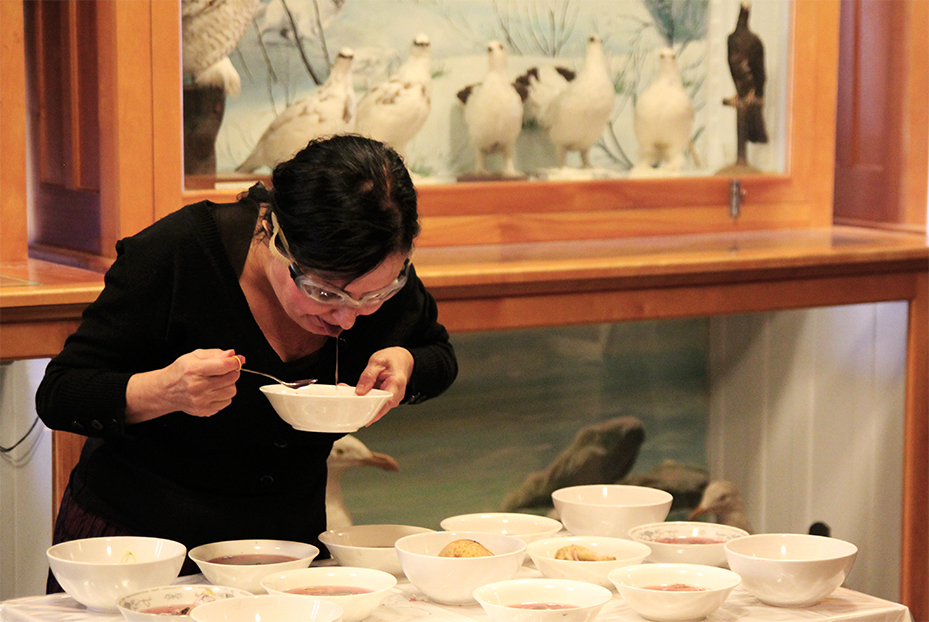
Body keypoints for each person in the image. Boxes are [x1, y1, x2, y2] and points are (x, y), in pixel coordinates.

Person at [36, 135, 458, 591]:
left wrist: (406, 363)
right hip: (139, 552)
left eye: (373, 297)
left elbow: (438, 355)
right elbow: (61, 393)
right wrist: (165, 390)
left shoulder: (377, 271)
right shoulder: (179, 254)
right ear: (275, 236)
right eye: (323, 293)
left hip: (285, 556)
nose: (347, 317)